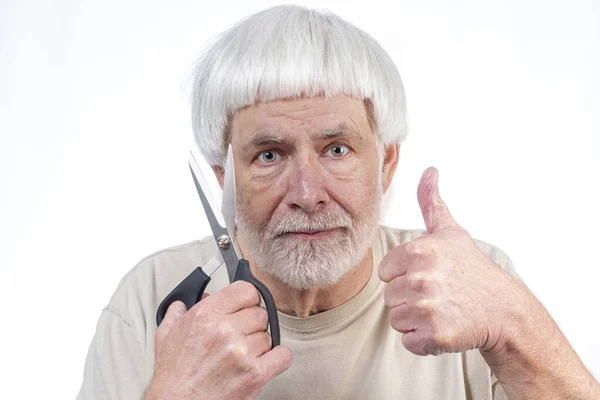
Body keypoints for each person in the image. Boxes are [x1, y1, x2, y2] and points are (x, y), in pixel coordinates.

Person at [77, 5, 599, 400]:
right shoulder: (151, 305)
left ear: (387, 163)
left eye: (338, 148)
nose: (307, 194)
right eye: (268, 155)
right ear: (223, 178)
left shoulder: (464, 281)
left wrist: (514, 327)